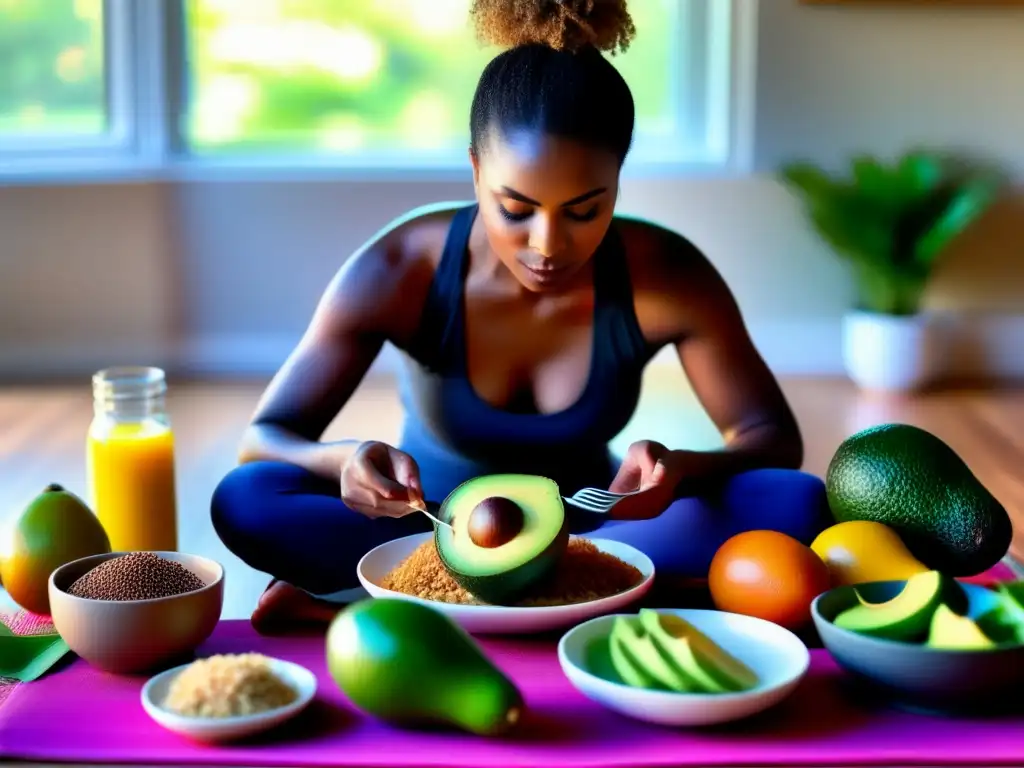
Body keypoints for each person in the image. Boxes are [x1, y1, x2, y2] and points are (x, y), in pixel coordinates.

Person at [211, 0, 833, 633]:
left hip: (594, 531)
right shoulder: (399, 270)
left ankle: (365, 604)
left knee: (796, 500)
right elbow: (263, 439)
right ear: (477, 170)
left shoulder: (666, 276)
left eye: (585, 211)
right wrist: (341, 459)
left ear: (617, 179)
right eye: (515, 208)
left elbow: (772, 439)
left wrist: (682, 467)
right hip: (422, 534)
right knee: (248, 499)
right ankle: (599, 600)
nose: (547, 245)